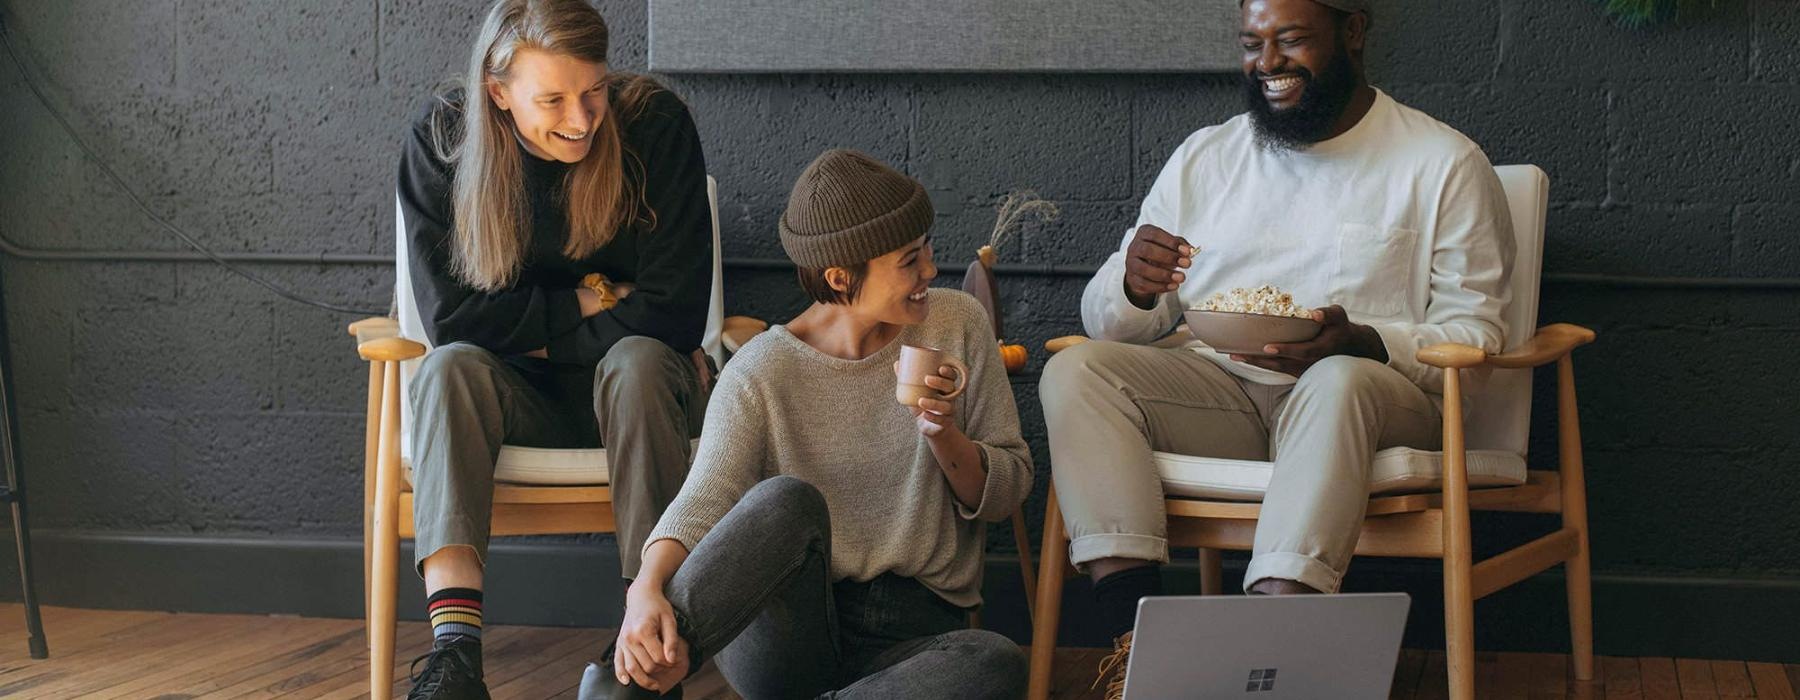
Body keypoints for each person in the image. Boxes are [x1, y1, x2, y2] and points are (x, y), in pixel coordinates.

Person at [1038, 0, 1516, 694]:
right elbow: (1112, 323)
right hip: (1222, 397)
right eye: (1252, 42)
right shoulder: (1208, 157)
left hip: (1376, 406)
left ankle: (1271, 655)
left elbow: (1477, 336)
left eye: (1291, 39)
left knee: (1338, 379)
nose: (1267, 64)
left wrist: (1366, 341)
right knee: (1078, 369)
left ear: (1352, 32)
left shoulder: (1441, 161)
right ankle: (1132, 654)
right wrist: (1135, 289)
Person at [580, 149, 1031, 700]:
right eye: (909, 261)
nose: (930, 271)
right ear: (841, 277)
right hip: (786, 636)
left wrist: (945, 436)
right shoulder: (761, 370)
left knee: (996, 663)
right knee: (783, 501)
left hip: (915, 636)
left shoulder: (957, 321)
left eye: (926, 249)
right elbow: (706, 497)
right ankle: (629, 687)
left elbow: (1009, 490)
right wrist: (645, 589)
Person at [395, 1, 714, 697]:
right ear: (498, 91)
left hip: (645, 399)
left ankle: (644, 643)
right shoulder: (442, 138)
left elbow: (675, 317)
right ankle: (454, 658)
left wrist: (526, 333)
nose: (580, 118)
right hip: (516, 404)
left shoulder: (655, 127)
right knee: (447, 371)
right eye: (553, 99)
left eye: (593, 91)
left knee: (636, 364)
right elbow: (451, 321)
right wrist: (594, 299)